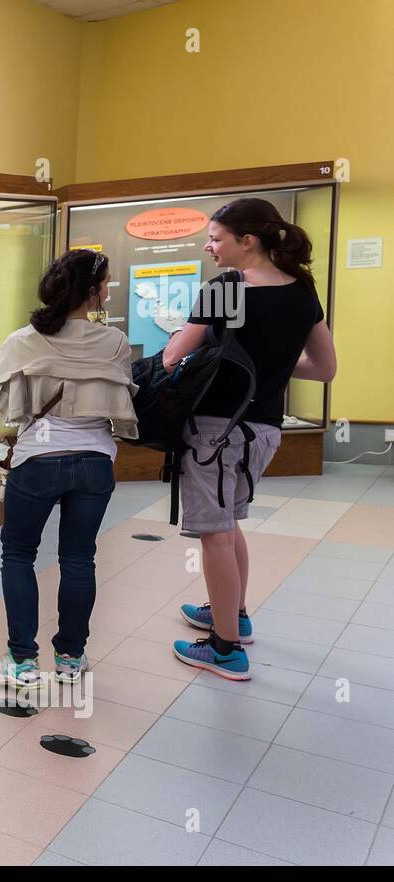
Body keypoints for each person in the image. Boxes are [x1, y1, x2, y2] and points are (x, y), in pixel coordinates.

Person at [163, 197, 337, 680]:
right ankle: (232, 614)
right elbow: (324, 369)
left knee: (215, 534)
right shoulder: (303, 291)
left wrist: (182, 337)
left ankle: (224, 648)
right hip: (263, 429)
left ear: (248, 241)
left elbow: (172, 359)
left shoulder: (225, 290)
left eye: (216, 239)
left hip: (216, 430)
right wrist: (271, 371)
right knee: (230, 522)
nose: (208, 246)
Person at [0, 249, 138, 690]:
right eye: (106, 282)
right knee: (78, 558)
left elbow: (6, 408)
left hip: (37, 461)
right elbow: (123, 405)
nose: (108, 289)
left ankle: (22, 663)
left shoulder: (21, 341)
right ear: (91, 292)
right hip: (94, 463)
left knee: (18, 555)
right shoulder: (114, 342)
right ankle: (71, 659)